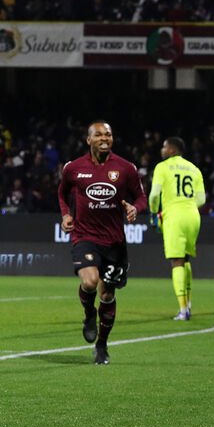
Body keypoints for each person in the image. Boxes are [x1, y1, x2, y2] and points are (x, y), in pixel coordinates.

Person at [58, 121, 147, 365]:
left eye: (108, 134)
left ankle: (102, 345)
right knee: (89, 281)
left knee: (107, 293)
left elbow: (141, 197)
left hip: (114, 241)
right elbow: (62, 192)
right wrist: (66, 214)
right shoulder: (74, 168)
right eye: (98, 134)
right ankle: (88, 313)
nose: (104, 138)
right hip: (84, 236)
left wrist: (134, 208)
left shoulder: (126, 168)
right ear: (89, 140)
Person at [148, 136, 205, 320]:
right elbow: (202, 199)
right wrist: (188, 206)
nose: (162, 149)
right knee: (186, 260)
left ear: (172, 149)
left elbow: (154, 195)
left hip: (174, 215)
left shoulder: (162, 167)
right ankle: (187, 305)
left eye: (164, 146)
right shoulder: (194, 169)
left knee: (176, 261)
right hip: (193, 216)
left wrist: (153, 213)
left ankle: (183, 311)